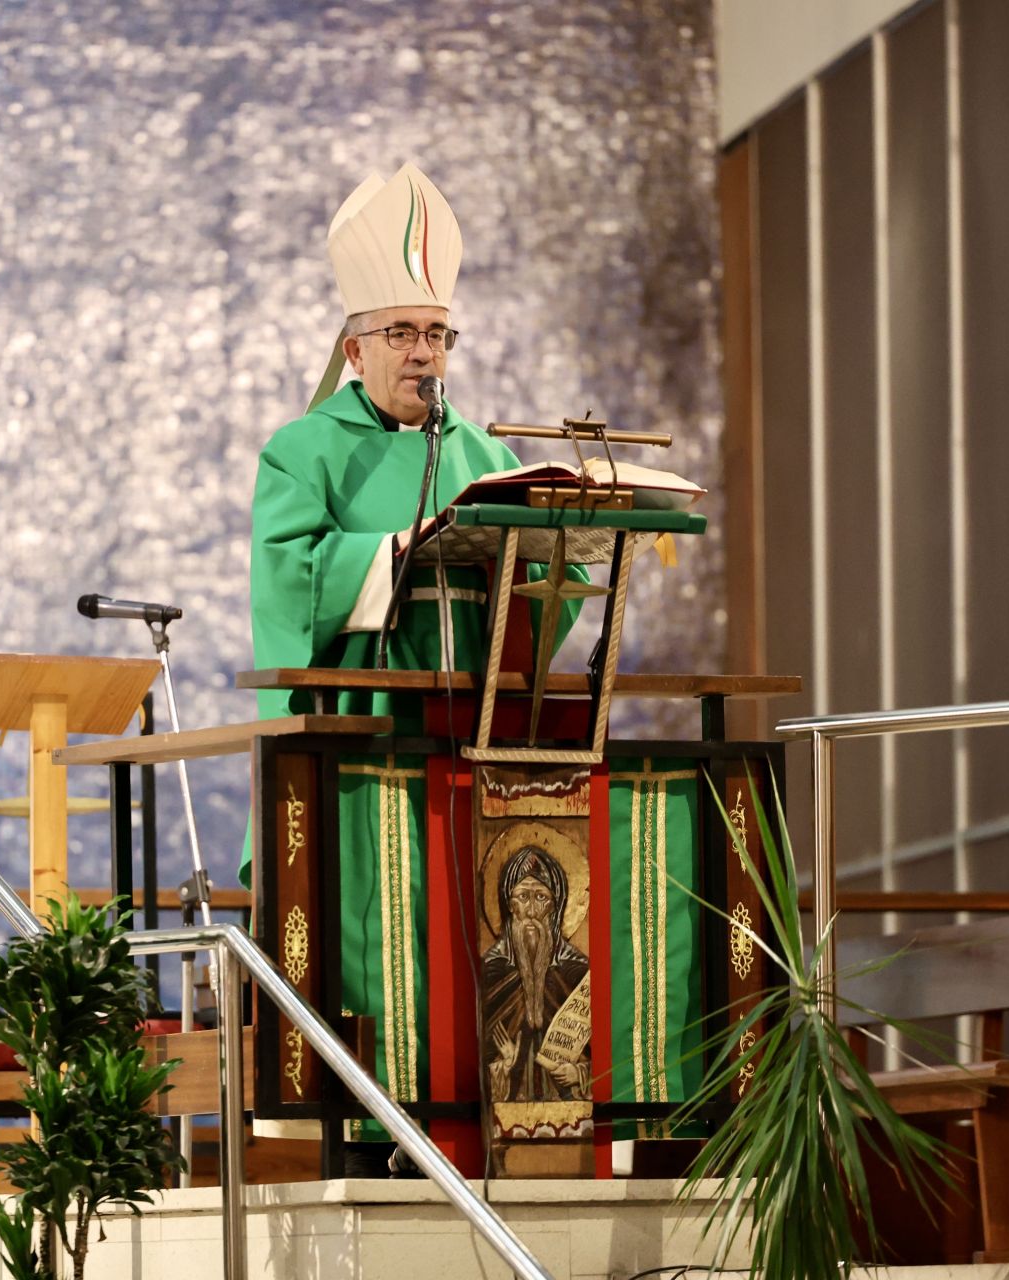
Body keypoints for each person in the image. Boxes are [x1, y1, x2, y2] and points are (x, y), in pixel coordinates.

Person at [246, 164, 585, 1157]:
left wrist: (556, 558)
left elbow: (540, 605)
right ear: (355, 344)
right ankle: (372, 1123)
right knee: (379, 941)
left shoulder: (484, 453)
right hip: (361, 755)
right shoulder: (306, 450)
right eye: (403, 333)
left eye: (436, 334)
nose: (423, 353)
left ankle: (475, 1124)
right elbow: (286, 586)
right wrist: (397, 553)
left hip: (473, 752)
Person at [481, 845, 589, 1103]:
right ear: (509, 904)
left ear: (556, 906)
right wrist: (503, 1068)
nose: (530, 910)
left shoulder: (577, 974)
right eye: (522, 896)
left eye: (541, 897)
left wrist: (578, 1073)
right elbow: (474, 1065)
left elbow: (603, 1058)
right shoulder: (491, 973)